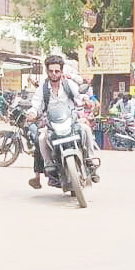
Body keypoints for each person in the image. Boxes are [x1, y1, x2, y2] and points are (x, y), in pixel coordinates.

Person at [26, 54, 99, 189]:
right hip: (52, 123)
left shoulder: (68, 84)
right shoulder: (42, 88)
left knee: (86, 129)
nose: (54, 74)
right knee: (41, 138)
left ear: (61, 71)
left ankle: (90, 160)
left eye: (57, 71)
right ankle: (50, 167)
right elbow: (36, 104)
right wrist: (32, 113)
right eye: (51, 71)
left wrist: (86, 100)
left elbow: (79, 95)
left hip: (71, 120)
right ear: (47, 71)